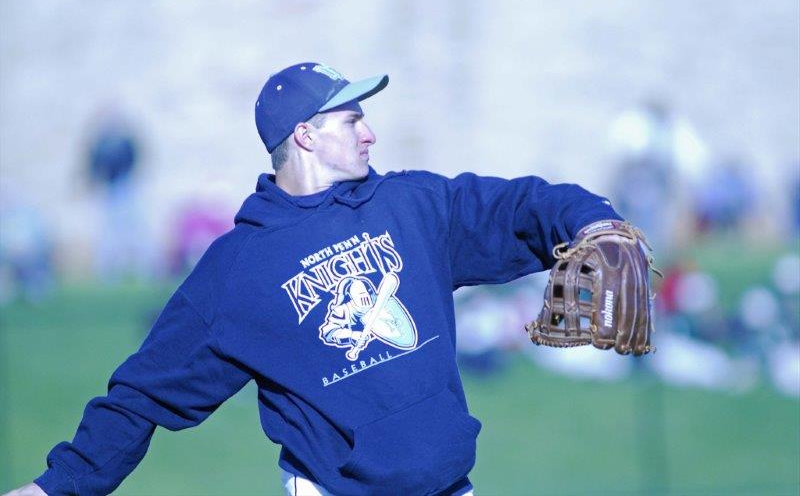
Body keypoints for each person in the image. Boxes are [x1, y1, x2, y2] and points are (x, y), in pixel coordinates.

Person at [8, 62, 625, 496]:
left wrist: (593, 221)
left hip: (449, 485)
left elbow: (517, 206)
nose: (370, 132)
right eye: (351, 119)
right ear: (304, 135)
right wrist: (57, 486)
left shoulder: (411, 205)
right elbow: (145, 394)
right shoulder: (238, 270)